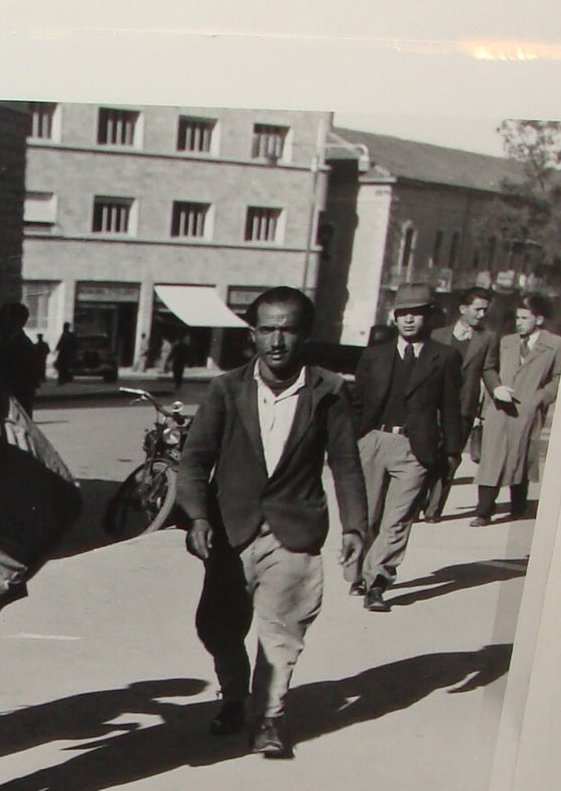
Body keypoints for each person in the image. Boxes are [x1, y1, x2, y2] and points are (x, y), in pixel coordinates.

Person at [179, 287, 368, 759]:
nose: (276, 341)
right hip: (231, 529)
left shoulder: (329, 390)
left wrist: (355, 527)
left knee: (282, 630)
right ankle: (234, 696)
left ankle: (269, 717)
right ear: (253, 335)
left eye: (287, 329)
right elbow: (195, 461)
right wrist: (198, 516)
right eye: (266, 329)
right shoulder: (226, 389)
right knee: (220, 627)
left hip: (295, 529)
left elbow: (346, 463)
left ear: (305, 334)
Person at [351, 282, 463, 613]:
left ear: (429, 317)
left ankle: (378, 583)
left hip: (416, 448)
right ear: (394, 317)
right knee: (367, 515)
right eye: (403, 314)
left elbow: (451, 407)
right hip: (373, 440)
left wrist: (453, 452)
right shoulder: (374, 355)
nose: (409, 320)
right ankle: (359, 572)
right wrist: (353, 439)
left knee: (397, 519)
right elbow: (355, 402)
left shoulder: (445, 357)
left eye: (416, 313)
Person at [472, 296, 561, 525]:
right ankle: (483, 511)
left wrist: (540, 398)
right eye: (517, 317)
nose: (519, 322)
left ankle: (518, 506)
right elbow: (489, 367)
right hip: (499, 408)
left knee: (521, 457)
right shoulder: (506, 341)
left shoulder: (556, 345)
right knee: (491, 459)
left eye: (525, 318)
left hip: (528, 411)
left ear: (539, 319)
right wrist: (496, 387)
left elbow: (560, 378)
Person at [423, 287, 497, 521]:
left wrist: (498, 390)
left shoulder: (488, 338)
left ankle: (434, 510)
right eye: (477, 309)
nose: (482, 314)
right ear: (463, 309)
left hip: (463, 407)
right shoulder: (437, 335)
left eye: (485, 310)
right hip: (433, 405)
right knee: (425, 454)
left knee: (450, 457)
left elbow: (488, 368)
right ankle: (414, 505)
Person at [0, 301, 42, 414]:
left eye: (4, 318)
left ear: (18, 322)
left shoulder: (21, 346)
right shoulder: (6, 342)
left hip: (12, 409)